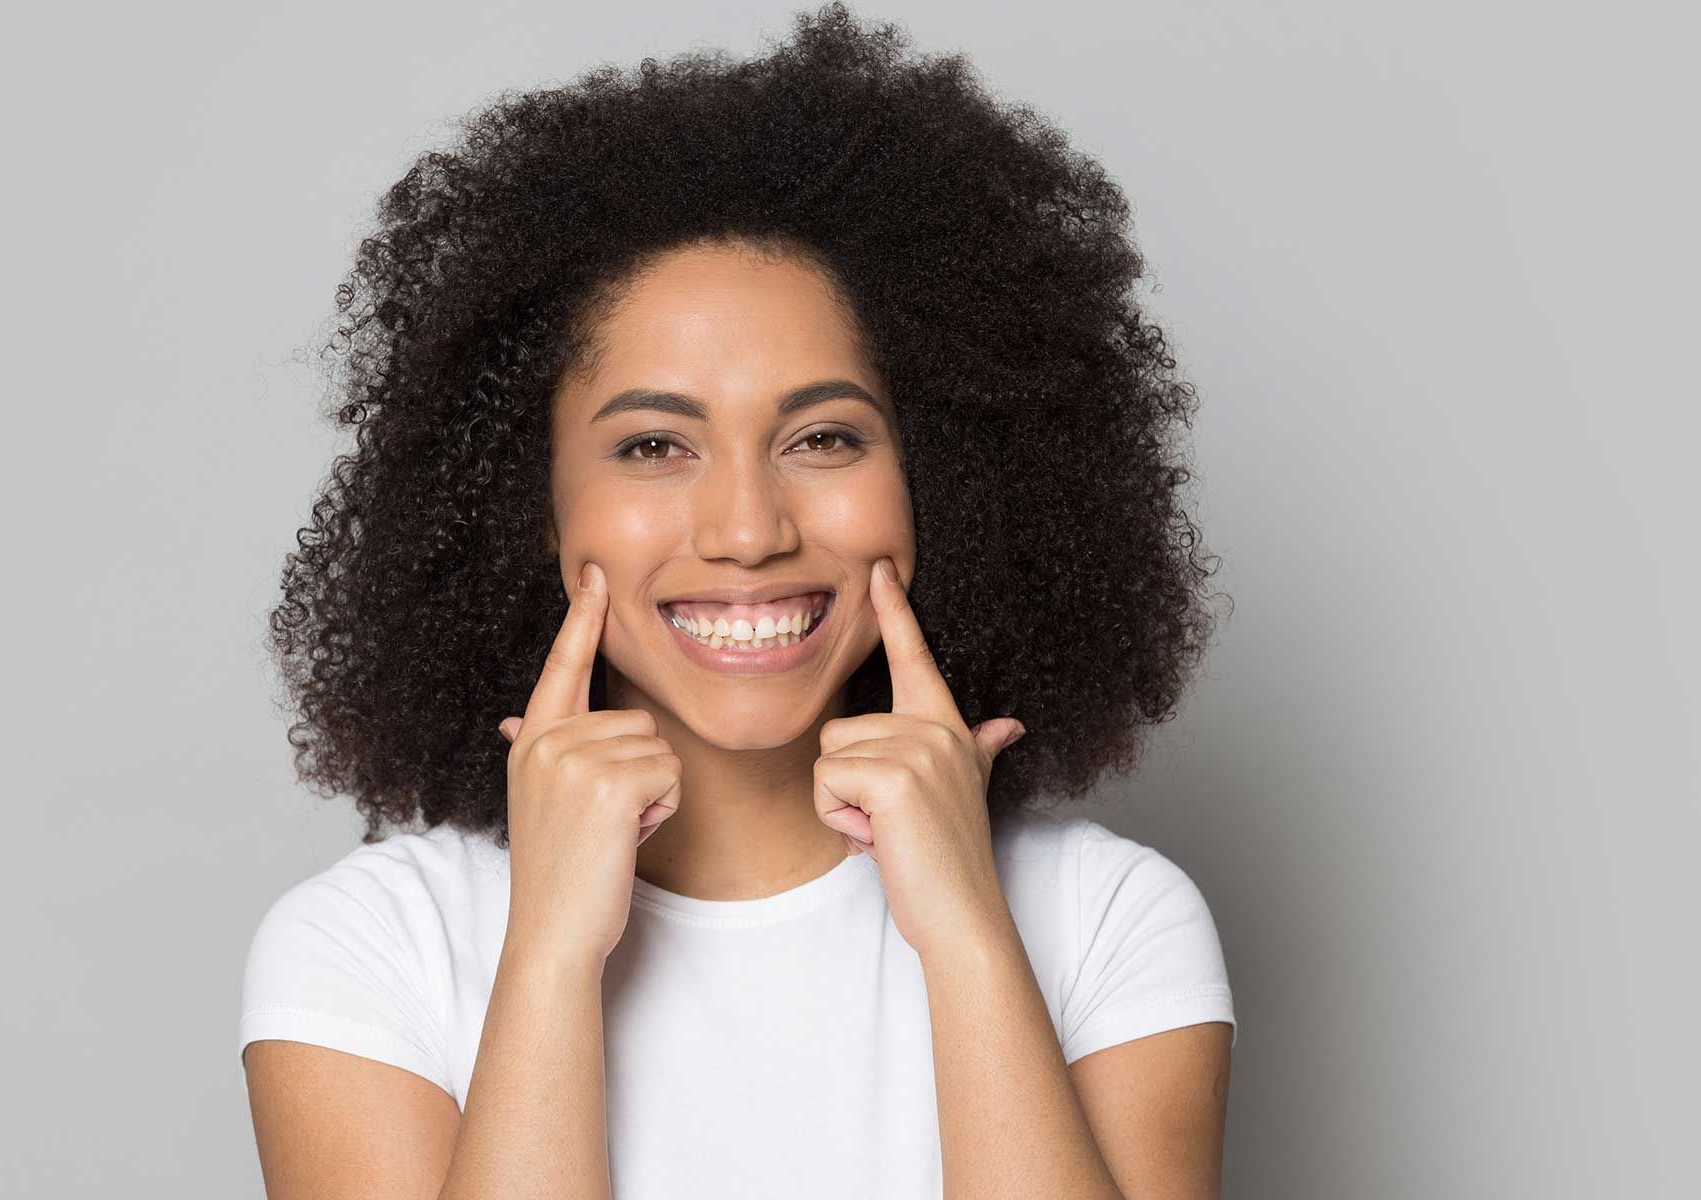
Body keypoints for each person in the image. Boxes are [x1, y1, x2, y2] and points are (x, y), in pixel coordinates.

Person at [239, 5, 1236, 1196]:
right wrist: (550, 958)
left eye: (822, 437)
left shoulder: (1105, 920)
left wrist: (969, 938)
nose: (750, 531)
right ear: (531, 508)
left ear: (947, 480)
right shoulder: (372, 949)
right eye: (655, 447)